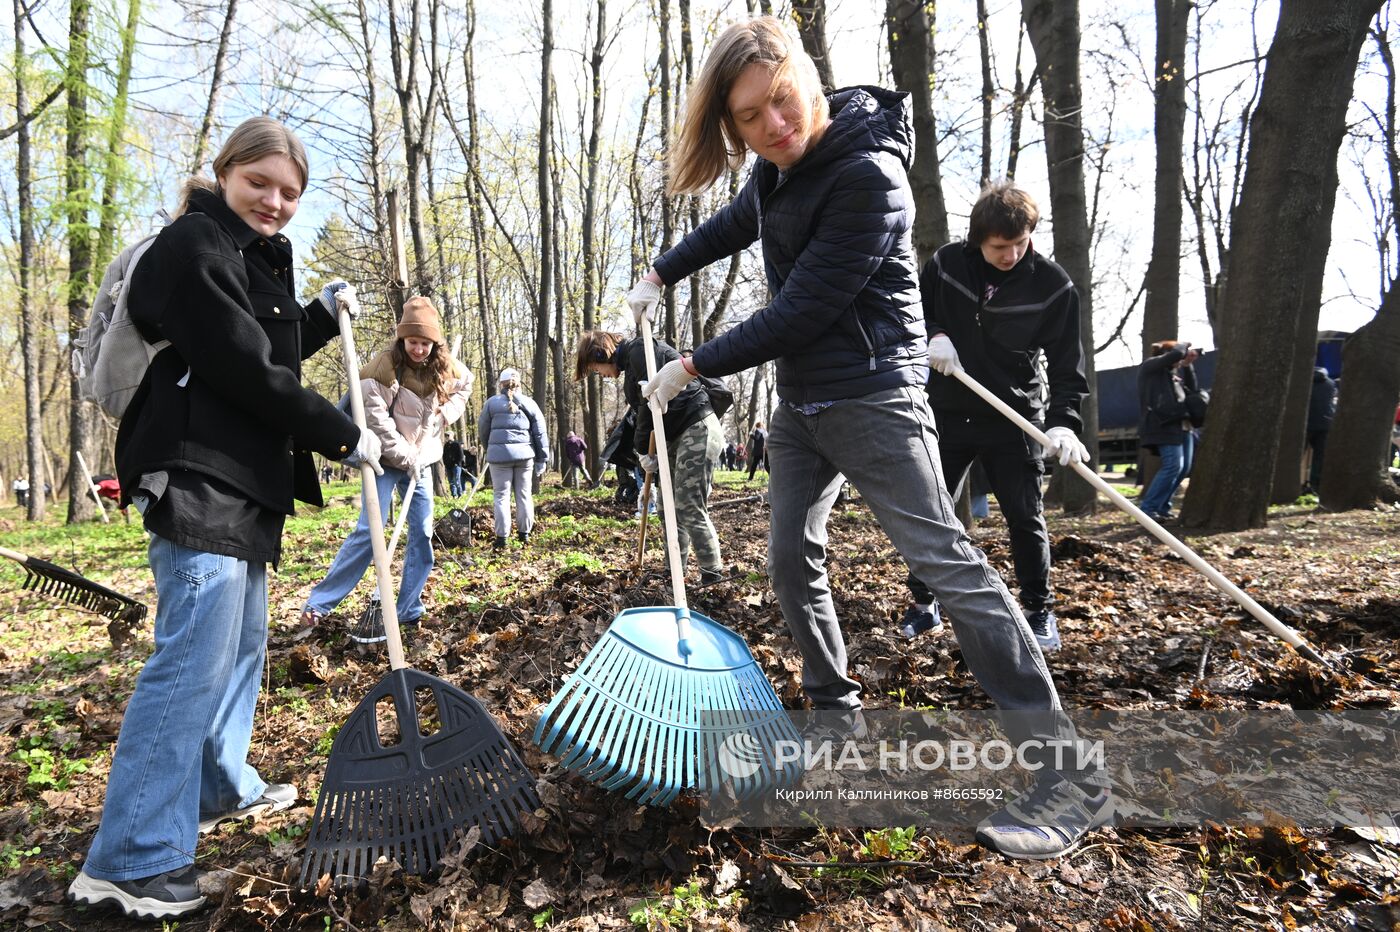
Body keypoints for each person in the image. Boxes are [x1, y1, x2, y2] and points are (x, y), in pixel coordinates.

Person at [624, 16, 1107, 860]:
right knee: (788, 559)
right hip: (804, 409)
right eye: (748, 117)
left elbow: (800, 309)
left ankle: (1068, 776)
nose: (773, 124)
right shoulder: (781, 172)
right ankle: (837, 720)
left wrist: (689, 366)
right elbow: (732, 226)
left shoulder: (870, 175)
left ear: (807, 78)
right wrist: (661, 270)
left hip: (877, 399)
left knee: (946, 566)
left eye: (780, 101)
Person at [66, 117, 382, 920]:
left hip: (242, 477)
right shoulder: (194, 244)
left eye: (289, 193)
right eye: (260, 183)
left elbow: (258, 348)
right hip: (194, 470)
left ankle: (217, 786)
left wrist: (313, 312)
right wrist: (345, 434)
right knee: (193, 658)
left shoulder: (245, 256)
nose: (275, 202)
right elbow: (237, 363)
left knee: (239, 643)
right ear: (225, 171)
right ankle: (128, 860)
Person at [912, 181, 1089, 650]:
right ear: (977, 240)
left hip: (1013, 417)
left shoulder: (1053, 287)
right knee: (931, 512)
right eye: (999, 247)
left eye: (1019, 243)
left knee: (1025, 516)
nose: (1010, 254)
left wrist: (1065, 421)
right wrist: (936, 334)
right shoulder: (947, 264)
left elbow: (1068, 365)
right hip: (946, 410)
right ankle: (923, 601)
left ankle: (1038, 611)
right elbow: (915, 311)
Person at [299, 297, 472, 634]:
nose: (419, 349)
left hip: (421, 461)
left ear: (434, 343)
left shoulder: (446, 366)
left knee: (422, 534)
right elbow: (377, 424)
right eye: (412, 342)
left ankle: (408, 608)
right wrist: (407, 458)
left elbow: (466, 385)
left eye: (425, 343)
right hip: (384, 459)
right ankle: (319, 605)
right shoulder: (381, 370)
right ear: (402, 339)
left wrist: (445, 413)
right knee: (370, 532)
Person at [575, 330, 726, 583]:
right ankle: (673, 572)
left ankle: (712, 576)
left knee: (689, 506)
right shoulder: (631, 367)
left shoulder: (640, 351)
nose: (600, 374)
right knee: (668, 508)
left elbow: (649, 403)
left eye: (596, 368)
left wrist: (643, 448)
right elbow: (643, 411)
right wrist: (643, 451)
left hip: (696, 426)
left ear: (602, 354)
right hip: (673, 436)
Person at [478, 368, 548, 549]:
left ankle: (502, 538)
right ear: (519, 383)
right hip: (525, 457)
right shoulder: (530, 403)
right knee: (524, 495)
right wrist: (542, 458)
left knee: (501, 496)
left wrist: (491, 449)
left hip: (499, 459)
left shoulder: (491, 404)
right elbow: (540, 433)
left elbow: (483, 431)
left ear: (501, 384)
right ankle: (524, 534)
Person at [1137, 339, 1201, 519]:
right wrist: (1185, 344)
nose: (1180, 360)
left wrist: (1188, 366)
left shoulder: (1172, 375)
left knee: (1183, 469)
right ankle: (1148, 509)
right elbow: (1175, 354)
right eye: (1180, 357)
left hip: (1183, 426)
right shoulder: (1150, 368)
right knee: (1173, 466)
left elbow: (1193, 391)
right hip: (1162, 426)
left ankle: (1163, 507)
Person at [1304, 366, 1336, 493]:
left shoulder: (1304, 382)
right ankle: (1315, 486)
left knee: (1297, 456)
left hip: (1306, 423)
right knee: (1320, 457)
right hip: (1325, 423)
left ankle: (1293, 484)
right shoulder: (1330, 383)